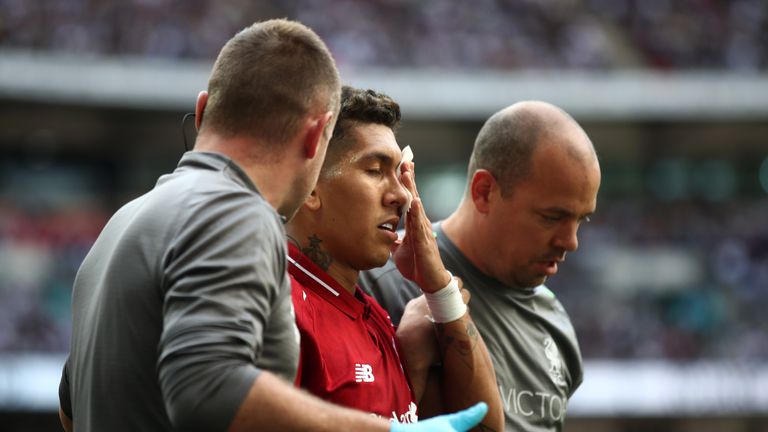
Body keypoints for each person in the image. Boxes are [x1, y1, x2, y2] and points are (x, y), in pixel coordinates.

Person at [58, 19, 486, 432]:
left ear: (204, 109)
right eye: (375, 170)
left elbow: (71, 410)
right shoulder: (236, 213)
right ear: (316, 136)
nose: (401, 195)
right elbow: (206, 389)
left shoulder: (124, 222)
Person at [360, 100, 602, 431]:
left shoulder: (554, 323)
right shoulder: (377, 283)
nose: (570, 242)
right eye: (552, 217)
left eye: (581, 220)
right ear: (484, 192)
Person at [285, 86, 504, 430]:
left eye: (400, 174)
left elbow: (485, 427)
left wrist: (440, 290)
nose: (402, 195)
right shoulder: (279, 308)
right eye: (374, 170)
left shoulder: (378, 320)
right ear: (311, 185)